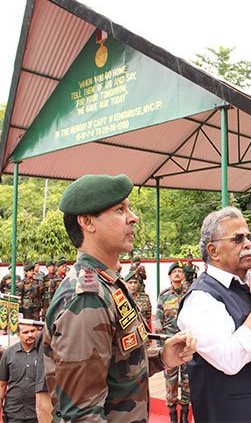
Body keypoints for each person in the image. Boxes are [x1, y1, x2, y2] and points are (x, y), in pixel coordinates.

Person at [44, 173, 196, 421]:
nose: (133, 217)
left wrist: (161, 357)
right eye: (119, 209)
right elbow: (81, 415)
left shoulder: (110, 284)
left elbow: (115, 365)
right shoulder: (86, 297)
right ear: (88, 222)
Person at [178, 206, 251, 422]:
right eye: (237, 238)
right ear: (213, 251)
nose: (248, 244)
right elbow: (230, 359)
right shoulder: (201, 299)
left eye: (248, 237)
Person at [156, 261, 191, 423]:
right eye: (174, 272)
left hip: (185, 345)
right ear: (170, 276)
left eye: (180, 271)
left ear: (183, 276)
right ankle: (172, 416)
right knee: (170, 381)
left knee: (186, 381)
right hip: (170, 344)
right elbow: (158, 323)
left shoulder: (190, 293)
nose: (177, 274)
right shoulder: (164, 296)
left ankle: (184, 414)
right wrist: (159, 348)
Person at [0, 322, 39, 422]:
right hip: (14, 412)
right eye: (25, 332)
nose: (30, 335)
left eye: (32, 331)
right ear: (18, 334)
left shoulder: (44, 353)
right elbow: (2, 384)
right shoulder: (9, 354)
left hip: (38, 413)